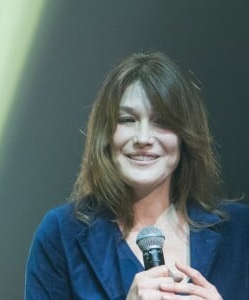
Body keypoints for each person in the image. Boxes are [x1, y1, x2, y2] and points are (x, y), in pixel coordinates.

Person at [25, 51, 249, 299]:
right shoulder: (61, 234)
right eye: (127, 120)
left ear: (185, 136)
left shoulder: (241, 232)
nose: (143, 138)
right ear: (106, 135)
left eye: (161, 121)